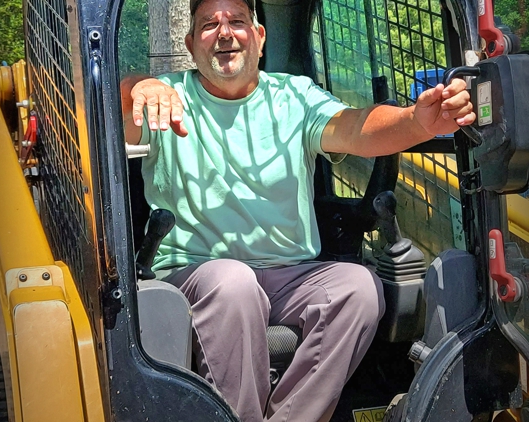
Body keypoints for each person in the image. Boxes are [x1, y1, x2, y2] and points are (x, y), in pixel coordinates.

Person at [120, 0, 475, 419]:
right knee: (233, 283)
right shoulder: (168, 98)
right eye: (208, 25)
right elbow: (119, 111)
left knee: (357, 287)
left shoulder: (294, 96)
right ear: (191, 45)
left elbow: (353, 127)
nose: (225, 33)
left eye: (237, 21)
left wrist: (418, 122)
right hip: (198, 274)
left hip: (290, 275)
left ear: (259, 36)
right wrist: (136, 85)